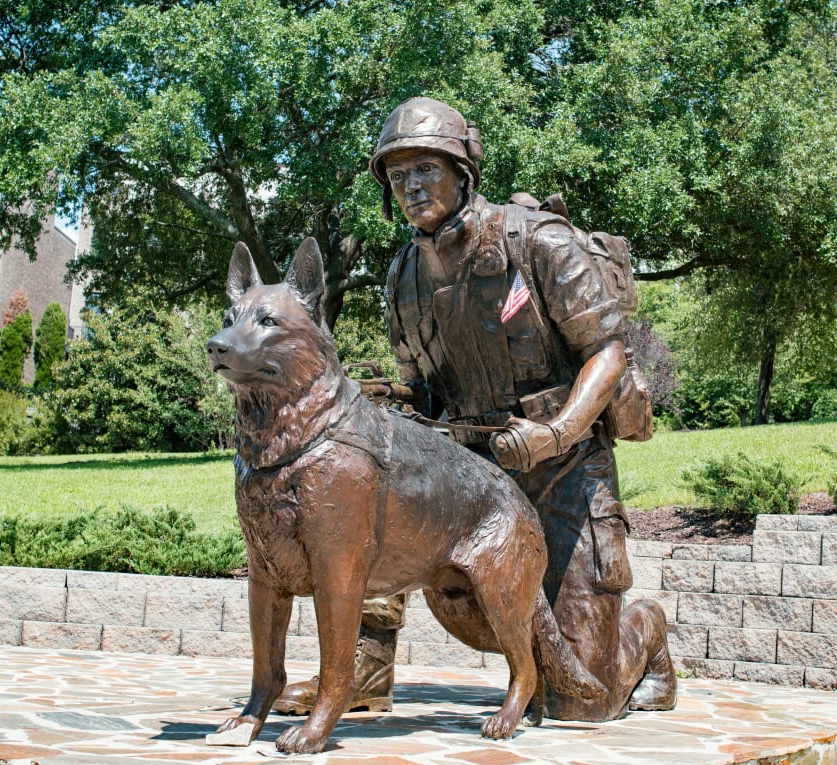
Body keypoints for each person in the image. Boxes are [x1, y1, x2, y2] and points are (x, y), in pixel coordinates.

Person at [275, 97, 676, 721]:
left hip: (563, 470)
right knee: (376, 470)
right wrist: (388, 406)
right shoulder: (404, 273)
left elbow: (607, 353)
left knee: (577, 702)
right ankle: (364, 671)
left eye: (425, 170)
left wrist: (556, 434)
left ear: (463, 172)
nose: (411, 187)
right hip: (472, 478)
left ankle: (643, 634)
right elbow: (424, 389)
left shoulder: (539, 243)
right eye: (398, 174)